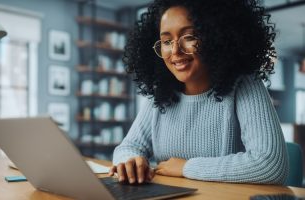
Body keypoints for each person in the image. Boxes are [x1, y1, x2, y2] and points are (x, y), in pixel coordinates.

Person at [108, 0, 289, 185]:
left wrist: (186, 168)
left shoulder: (245, 85)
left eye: (189, 37)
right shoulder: (161, 94)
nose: (175, 51)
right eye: (167, 41)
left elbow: (270, 165)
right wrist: (130, 163)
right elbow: (128, 147)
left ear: (217, 36)